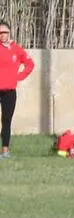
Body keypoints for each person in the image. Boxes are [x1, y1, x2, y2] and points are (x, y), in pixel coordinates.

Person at [0, 18, 35, 158]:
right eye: (0, 33)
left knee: (6, 121)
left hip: (9, 92)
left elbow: (30, 64)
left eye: (5, 32)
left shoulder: (16, 49)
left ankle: (5, 151)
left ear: (9, 33)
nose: (2, 35)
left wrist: (18, 77)